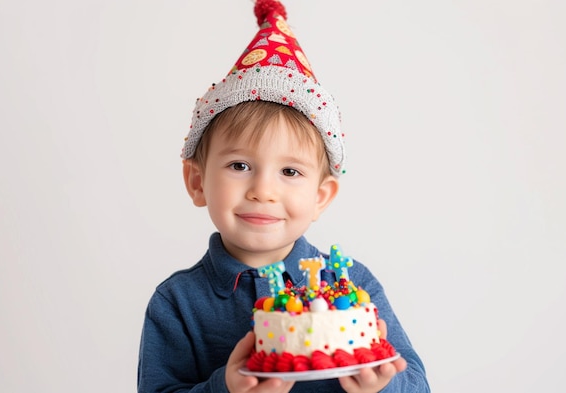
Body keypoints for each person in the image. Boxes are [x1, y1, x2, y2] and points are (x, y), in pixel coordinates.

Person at [137, 1, 430, 392]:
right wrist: (223, 387)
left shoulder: (354, 286)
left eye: (290, 172)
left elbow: (418, 385)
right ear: (197, 182)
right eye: (239, 166)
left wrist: (383, 386)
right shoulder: (177, 303)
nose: (263, 191)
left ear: (321, 197)